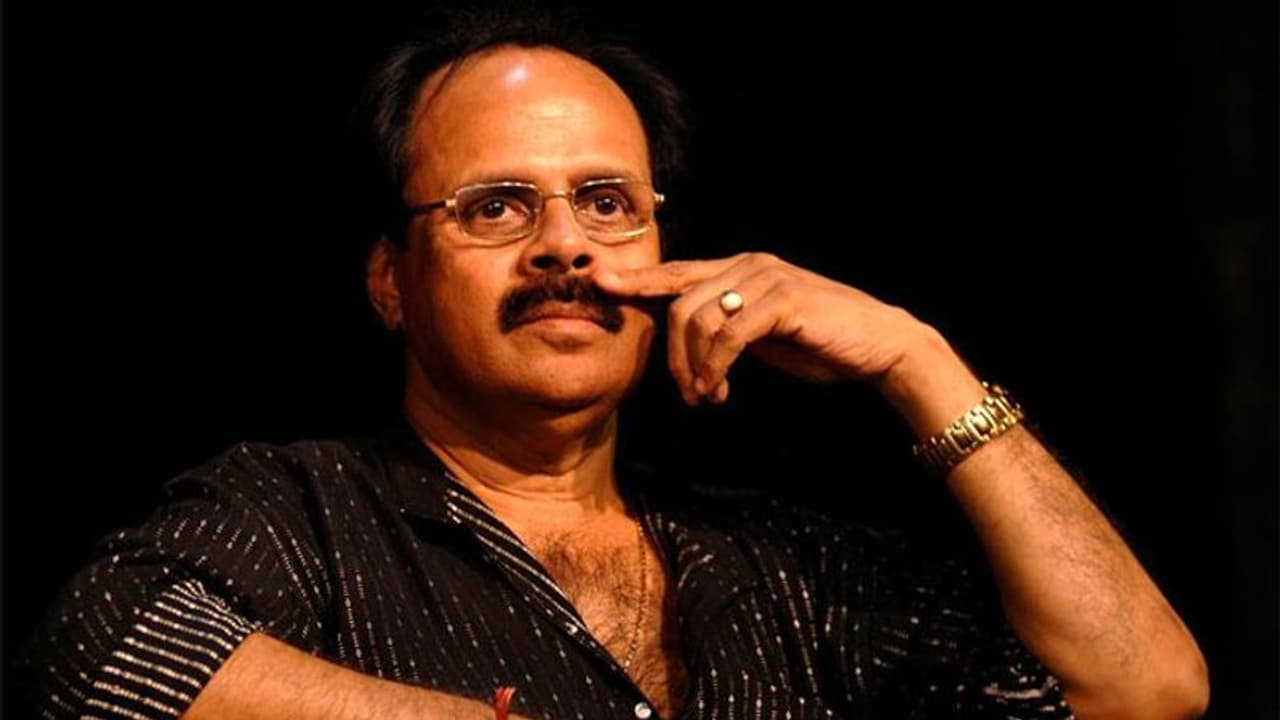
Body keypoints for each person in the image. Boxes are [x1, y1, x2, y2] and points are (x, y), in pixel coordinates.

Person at [20, 7, 1209, 719]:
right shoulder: (301, 513)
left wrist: (920, 360)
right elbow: (95, 662)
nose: (564, 249)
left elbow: (1139, 690)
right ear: (391, 280)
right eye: (495, 207)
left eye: (605, 203)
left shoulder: (783, 567)